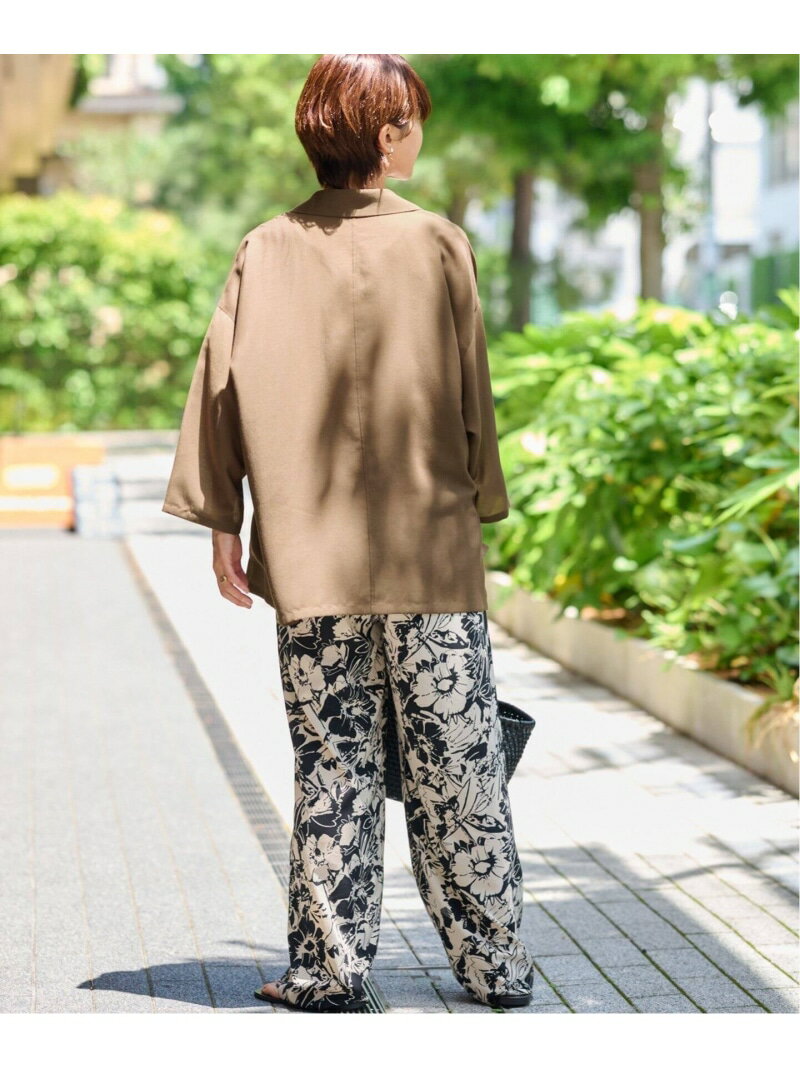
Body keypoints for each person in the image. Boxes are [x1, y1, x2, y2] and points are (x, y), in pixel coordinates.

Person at [162, 53, 534, 1013]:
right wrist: (481, 505)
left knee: (334, 766)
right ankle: (495, 968)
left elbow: (218, 391)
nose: (420, 133)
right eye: (411, 119)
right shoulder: (441, 243)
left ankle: (330, 971)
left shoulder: (264, 249)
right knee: (461, 768)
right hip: (431, 558)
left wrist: (222, 521)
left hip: (310, 562)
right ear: (385, 133)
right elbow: (473, 398)